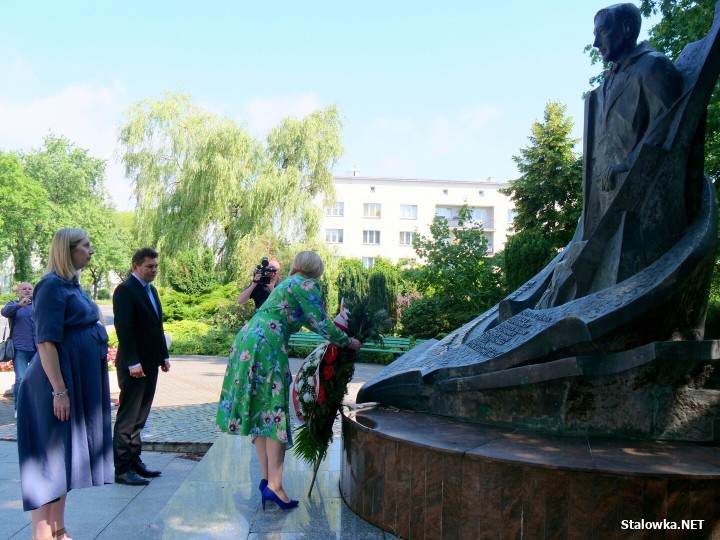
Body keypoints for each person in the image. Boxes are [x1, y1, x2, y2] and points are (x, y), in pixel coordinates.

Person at [535, 2, 683, 309]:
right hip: (601, 198)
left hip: (634, 197)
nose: (595, 42)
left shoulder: (653, 68)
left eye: (602, 31)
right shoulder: (605, 83)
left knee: (612, 277)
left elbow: (669, 125)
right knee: (573, 273)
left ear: (626, 29)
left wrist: (630, 165)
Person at [216, 251, 361, 510]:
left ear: (296, 266)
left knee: (262, 412)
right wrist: (348, 341)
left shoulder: (287, 284)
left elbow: (306, 319)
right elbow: (322, 324)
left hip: (248, 340)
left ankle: (266, 480)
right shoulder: (307, 285)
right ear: (317, 269)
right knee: (274, 412)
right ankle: (275, 486)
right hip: (266, 346)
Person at [16, 228, 113, 540]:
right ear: (67, 249)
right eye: (86, 245)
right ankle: (41, 534)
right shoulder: (50, 286)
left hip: (72, 382)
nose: (91, 250)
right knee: (48, 460)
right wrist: (59, 390)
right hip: (51, 386)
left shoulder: (71, 284)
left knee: (64, 460)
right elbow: (45, 343)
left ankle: (59, 531)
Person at [112, 247, 170, 486]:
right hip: (133, 366)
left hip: (150, 363)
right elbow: (124, 330)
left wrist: (163, 356)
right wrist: (133, 362)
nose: (154, 270)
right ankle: (122, 469)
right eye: (149, 266)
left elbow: (157, 326)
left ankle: (135, 462)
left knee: (141, 417)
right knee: (128, 418)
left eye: (156, 266)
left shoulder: (151, 290)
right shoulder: (125, 290)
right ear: (136, 266)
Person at [2, 282, 37, 417]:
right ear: (18, 292)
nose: (27, 290)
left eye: (30, 288)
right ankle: (19, 408)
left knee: (39, 379)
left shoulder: (38, 304)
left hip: (38, 348)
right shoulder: (13, 304)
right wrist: (19, 305)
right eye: (24, 288)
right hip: (20, 348)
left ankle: (37, 407)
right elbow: (4, 312)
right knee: (20, 379)